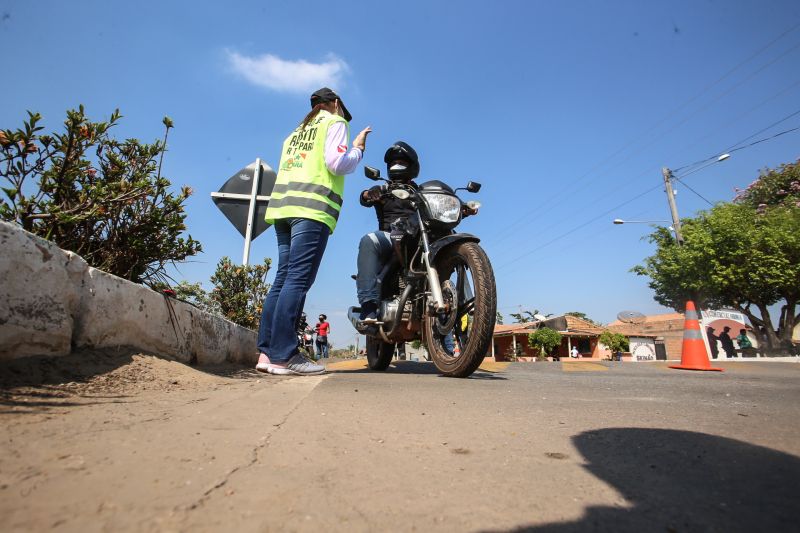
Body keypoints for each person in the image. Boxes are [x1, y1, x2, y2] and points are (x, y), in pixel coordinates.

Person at [255, 87, 371, 375]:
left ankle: (266, 355)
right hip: (311, 209)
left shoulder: (295, 133)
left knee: (282, 279)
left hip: (282, 209)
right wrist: (357, 149)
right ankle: (285, 355)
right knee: (297, 279)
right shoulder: (335, 123)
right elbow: (337, 163)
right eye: (343, 110)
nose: (345, 116)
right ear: (334, 104)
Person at [356, 141, 421, 323]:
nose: (397, 166)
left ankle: (469, 308)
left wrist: (462, 207)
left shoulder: (421, 191)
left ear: (412, 166)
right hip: (389, 237)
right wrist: (370, 194)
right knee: (368, 240)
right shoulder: (384, 188)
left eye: (402, 162)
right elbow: (364, 197)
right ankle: (368, 306)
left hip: (417, 239)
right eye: (393, 163)